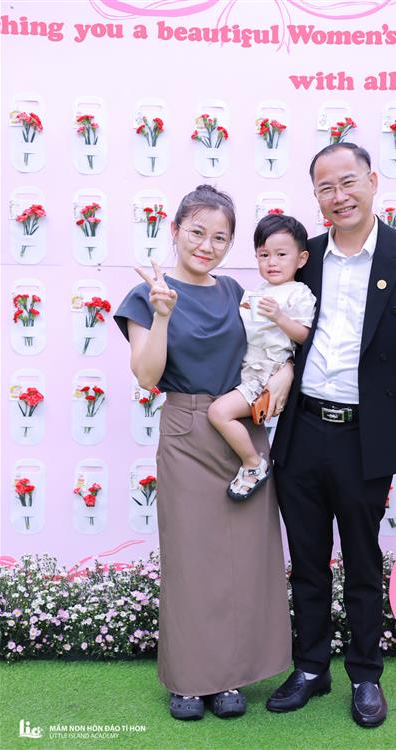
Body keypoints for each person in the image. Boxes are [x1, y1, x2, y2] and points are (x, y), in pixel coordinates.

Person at [267, 143, 396, 727]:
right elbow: (285, 329)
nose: (339, 196)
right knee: (306, 559)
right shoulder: (307, 256)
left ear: (372, 181)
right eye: (325, 188)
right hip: (303, 428)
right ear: (316, 197)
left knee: (362, 558)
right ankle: (310, 668)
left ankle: (366, 675)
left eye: (348, 182)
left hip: (365, 435)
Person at [114, 184, 292, 721]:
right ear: (174, 231)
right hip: (187, 431)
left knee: (244, 561)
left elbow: (270, 346)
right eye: (196, 232)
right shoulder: (147, 293)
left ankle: (231, 676)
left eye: (220, 238)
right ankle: (189, 680)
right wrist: (162, 314)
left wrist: (284, 371)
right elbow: (147, 376)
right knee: (191, 562)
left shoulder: (235, 290)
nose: (206, 246)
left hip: (241, 432)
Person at [207, 213, 316, 501]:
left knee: (218, 413)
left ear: (301, 259)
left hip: (267, 375)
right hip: (246, 371)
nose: (272, 262)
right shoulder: (257, 292)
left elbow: (305, 336)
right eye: (264, 255)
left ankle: (253, 463)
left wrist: (280, 317)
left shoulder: (299, 293)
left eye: (281, 254)